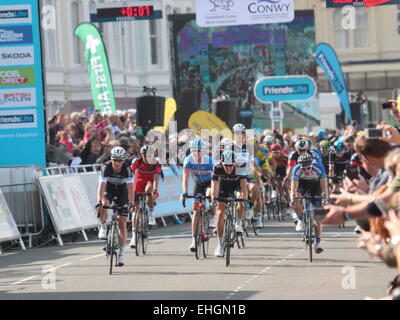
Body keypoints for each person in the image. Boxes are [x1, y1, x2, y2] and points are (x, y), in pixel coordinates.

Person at [97, 146, 134, 267]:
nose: (117, 163)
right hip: (110, 189)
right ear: (111, 159)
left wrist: (131, 203)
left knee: (122, 222)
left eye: (120, 160)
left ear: (123, 160)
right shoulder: (106, 167)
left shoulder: (127, 169)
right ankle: (102, 227)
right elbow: (101, 186)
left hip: (122, 191)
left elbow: (130, 188)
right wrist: (99, 200)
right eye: (115, 160)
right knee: (104, 204)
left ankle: (122, 254)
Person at [211, 150, 248, 257]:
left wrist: (244, 199)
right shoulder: (217, 167)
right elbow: (214, 185)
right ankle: (220, 244)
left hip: (237, 186)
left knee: (241, 198)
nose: (228, 168)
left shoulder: (240, 166)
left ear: (235, 163)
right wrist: (214, 198)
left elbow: (244, 186)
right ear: (221, 163)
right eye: (226, 165)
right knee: (220, 213)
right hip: (224, 187)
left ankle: (239, 223)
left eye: (231, 166)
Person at [291, 153, 328, 253]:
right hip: (302, 185)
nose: (306, 171)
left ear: (312, 165)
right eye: (303, 169)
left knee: (318, 216)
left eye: (308, 168)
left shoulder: (319, 167)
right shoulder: (296, 169)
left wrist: (325, 199)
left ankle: (318, 243)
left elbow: (324, 186)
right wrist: (293, 199)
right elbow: (294, 187)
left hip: (316, 186)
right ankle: (301, 220)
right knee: (295, 201)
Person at [180, 139, 214, 252]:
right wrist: (184, 192)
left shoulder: (209, 161)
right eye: (192, 150)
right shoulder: (188, 160)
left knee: (210, 195)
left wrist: (213, 195)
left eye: (198, 151)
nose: (195, 153)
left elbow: (216, 180)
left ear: (203, 151)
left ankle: (212, 215)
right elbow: (185, 177)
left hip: (210, 183)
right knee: (195, 210)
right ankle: (194, 240)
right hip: (198, 184)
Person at [129, 145, 161, 248]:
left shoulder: (156, 163)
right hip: (139, 182)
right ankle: (134, 237)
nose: (148, 158)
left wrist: (155, 191)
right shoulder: (136, 161)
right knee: (134, 209)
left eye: (150, 155)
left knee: (148, 191)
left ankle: (151, 213)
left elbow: (156, 179)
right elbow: (129, 174)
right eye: (146, 156)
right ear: (142, 155)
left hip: (150, 182)